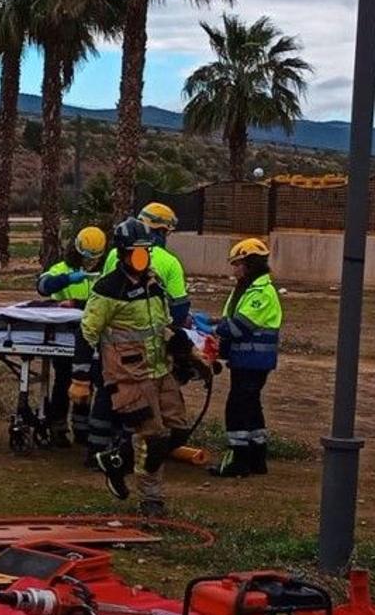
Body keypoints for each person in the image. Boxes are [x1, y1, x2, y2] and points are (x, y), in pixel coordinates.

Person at [81, 218, 201, 516]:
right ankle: (152, 501)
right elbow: (86, 334)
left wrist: (190, 354)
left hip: (160, 370)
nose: (142, 257)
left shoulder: (153, 284)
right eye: (136, 251)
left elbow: (162, 326)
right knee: (152, 437)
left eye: (145, 251)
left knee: (177, 429)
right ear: (123, 253)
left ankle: (117, 460)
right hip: (129, 376)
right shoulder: (108, 290)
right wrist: (80, 377)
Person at [207, 238, 282, 478]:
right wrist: (214, 323)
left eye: (237, 264)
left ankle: (238, 460)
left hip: (253, 361)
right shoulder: (246, 289)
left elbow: (239, 326)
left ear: (250, 264)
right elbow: (229, 319)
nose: (234, 269)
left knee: (237, 407)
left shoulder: (262, 292)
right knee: (250, 406)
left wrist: (212, 330)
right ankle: (257, 457)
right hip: (245, 361)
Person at [36, 226, 107, 447]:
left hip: (94, 337)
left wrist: (78, 304)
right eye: (85, 257)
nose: (89, 263)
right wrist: (67, 279)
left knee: (89, 382)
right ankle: (57, 426)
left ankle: (82, 428)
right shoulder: (62, 269)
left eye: (94, 258)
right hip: (64, 336)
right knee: (64, 380)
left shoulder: (106, 273)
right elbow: (43, 286)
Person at [101, 202, 191, 326]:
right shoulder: (170, 262)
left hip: (113, 330)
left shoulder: (114, 253)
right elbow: (179, 310)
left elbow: (102, 294)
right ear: (162, 231)